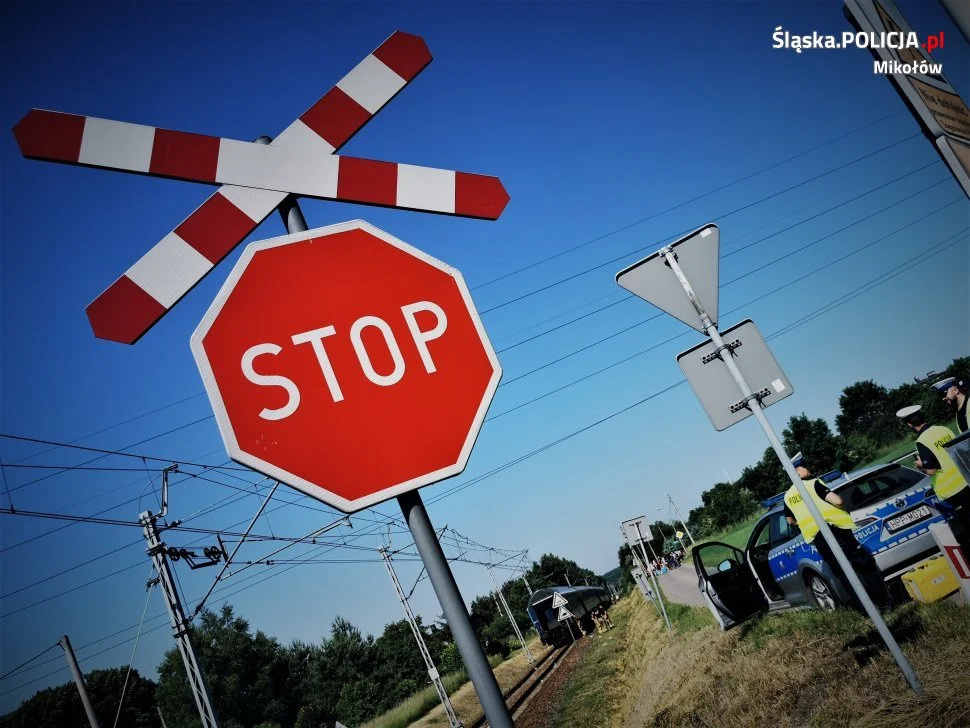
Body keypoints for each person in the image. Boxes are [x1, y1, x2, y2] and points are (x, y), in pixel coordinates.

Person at [783, 452, 892, 610]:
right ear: (797, 470)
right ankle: (884, 602)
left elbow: (790, 520)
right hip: (837, 531)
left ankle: (865, 610)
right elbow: (838, 501)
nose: (809, 469)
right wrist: (840, 507)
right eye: (805, 466)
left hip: (819, 539)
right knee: (863, 564)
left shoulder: (788, 496)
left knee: (843, 574)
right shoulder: (813, 483)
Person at [897, 405, 970, 546]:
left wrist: (920, 464)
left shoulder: (922, 441)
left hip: (951, 490)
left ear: (909, 424)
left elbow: (931, 471)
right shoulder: (944, 429)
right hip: (965, 479)